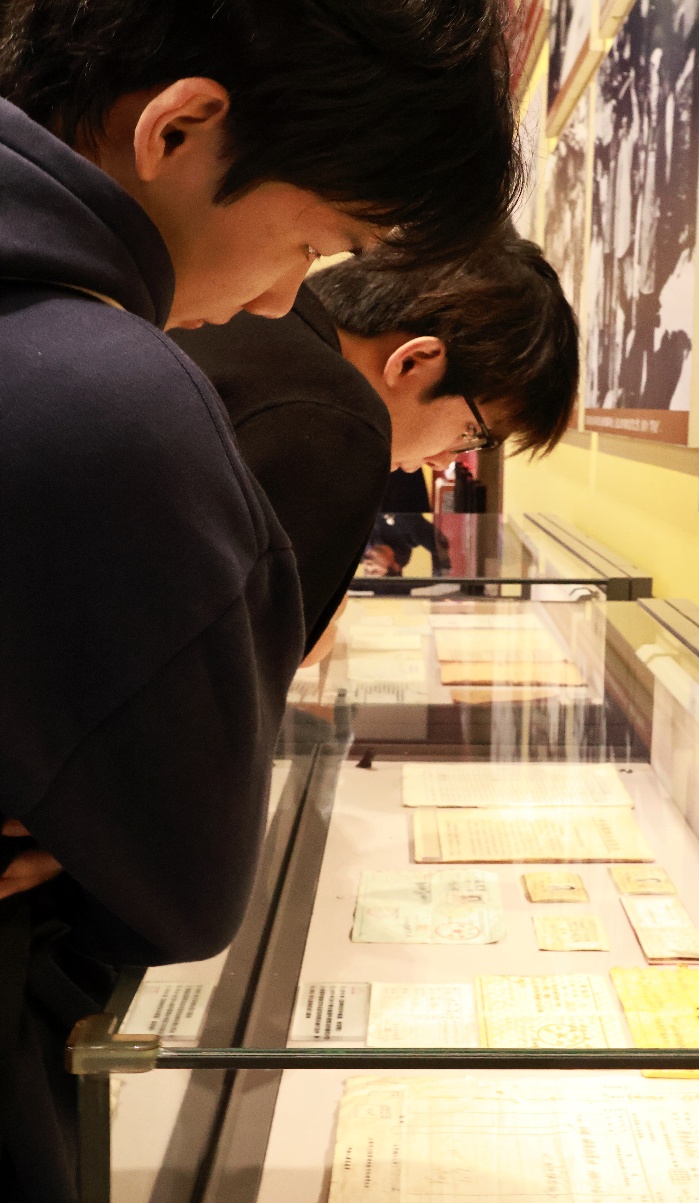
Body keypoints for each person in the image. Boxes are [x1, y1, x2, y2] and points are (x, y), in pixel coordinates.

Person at [0, 1, 518, 1198]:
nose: (288, 302)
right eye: (316, 244)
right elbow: (186, 888)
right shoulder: (114, 403)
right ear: (180, 128)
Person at [173, 230, 580, 657]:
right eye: (471, 432)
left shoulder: (237, 318)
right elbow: (277, 655)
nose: (444, 461)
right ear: (412, 362)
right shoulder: (337, 428)